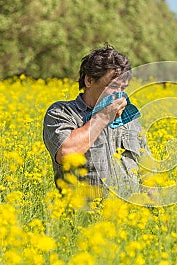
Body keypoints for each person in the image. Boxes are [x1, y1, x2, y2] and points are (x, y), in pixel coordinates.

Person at [43, 45, 151, 199]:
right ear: (89, 80)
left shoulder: (129, 120)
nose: (120, 93)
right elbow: (66, 153)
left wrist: (157, 215)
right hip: (83, 217)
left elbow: (147, 173)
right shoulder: (63, 113)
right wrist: (103, 117)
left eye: (124, 87)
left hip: (129, 218)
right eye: (113, 85)